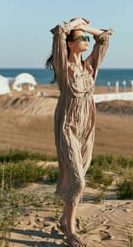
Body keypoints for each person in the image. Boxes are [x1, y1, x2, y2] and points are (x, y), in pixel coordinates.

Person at [46, 17, 113, 247]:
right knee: (78, 181)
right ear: (70, 44)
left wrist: (85, 28)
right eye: (81, 38)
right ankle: (71, 231)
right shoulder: (63, 67)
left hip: (87, 129)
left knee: (80, 178)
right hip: (67, 127)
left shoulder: (90, 67)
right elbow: (59, 33)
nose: (86, 40)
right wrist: (73, 22)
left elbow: (104, 38)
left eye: (86, 38)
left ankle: (65, 220)